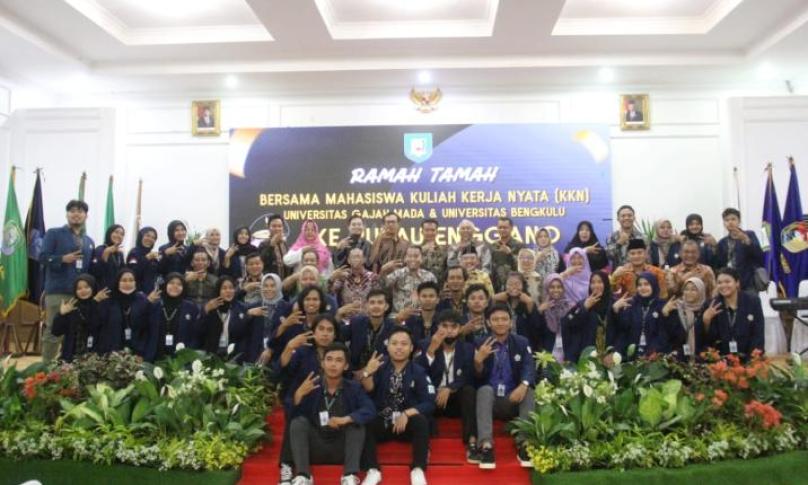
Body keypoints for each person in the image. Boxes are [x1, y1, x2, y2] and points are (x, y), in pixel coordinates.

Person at [289, 343, 376, 485]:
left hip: (342, 448)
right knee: (298, 423)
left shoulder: (354, 387)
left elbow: (370, 410)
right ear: (322, 363)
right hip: (316, 446)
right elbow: (292, 416)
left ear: (346, 366)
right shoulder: (311, 386)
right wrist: (298, 395)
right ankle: (304, 476)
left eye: (338, 360)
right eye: (329, 359)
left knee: (356, 425)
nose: (333, 364)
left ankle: (349, 476)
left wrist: (346, 419)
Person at [359, 327, 435, 485]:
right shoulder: (379, 367)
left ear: (411, 348)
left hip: (406, 424)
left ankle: (418, 469)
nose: (399, 347)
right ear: (387, 346)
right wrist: (367, 372)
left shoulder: (418, 371)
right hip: (383, 420)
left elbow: (429, 402)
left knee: (421, 421)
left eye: (404, 344)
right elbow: (369, 389)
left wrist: (407, 413)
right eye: (394, 343)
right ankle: (373, 470)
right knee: (365, 422)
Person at [277, 314, 341, 483]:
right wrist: (289, 347)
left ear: (335, 334)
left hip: (332, 406)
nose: (325, 333)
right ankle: (287, 465)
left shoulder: (340, 352)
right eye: (321, 329)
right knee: (294, 415)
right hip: (305, 403)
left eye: (330, 330)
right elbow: (283, 371)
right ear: (313, 332)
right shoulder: (303, 352)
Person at [473, 303, 535, 469]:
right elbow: (476, 378)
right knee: (484, 389)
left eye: (504, 319)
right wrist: (478, 362)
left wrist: (523, 385)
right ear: (488, 322)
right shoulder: (480, 342)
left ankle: (525, 444)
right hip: (489, 401)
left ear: (510, 322)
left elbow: (529, 366)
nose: (500, 323)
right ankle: (486, 446)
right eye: (495, 319)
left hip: (513, 398)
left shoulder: (521, 342)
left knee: (528, 390)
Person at [415, 310, 478, 461]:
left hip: (455, 399)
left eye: (453, 326)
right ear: (437, 327)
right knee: (420, 394)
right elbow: (418, 374)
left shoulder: (468, 348)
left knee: (469, 391)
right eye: (444, 326)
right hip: (432, 399)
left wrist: (450, 388)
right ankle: (424, 447)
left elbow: (468, 377)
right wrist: (431, 350)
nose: (449, 330)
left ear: (460, 328)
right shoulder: (424, 345)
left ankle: (472, 443)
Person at [40, 199, 96, 363]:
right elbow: (42, 257)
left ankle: (68, 368)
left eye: (80, 211)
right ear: (67, 215)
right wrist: (62, 259)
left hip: (80, 294)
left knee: (76, 331)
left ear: (86, 216)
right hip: (58, 291)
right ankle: (47, 369)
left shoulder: (89, 241)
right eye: (72, 211)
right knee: (54, 330)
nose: (76, 214)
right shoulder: (54, 233)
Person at [702, 268, 765, 358]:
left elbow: (758, 333)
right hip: (721, 359)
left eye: (727, 282)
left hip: (749, 358)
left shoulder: (752, 301)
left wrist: (754, 359)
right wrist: (706, 321)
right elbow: (708, 340)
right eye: (719, 283)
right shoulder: (711, 305)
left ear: (737, 283)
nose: (723, 285)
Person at [96, 268, 155, 358]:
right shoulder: (108, 301)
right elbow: (99, 325)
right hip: (112, 353)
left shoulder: (142, 300)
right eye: (124, 280)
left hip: (137, 353)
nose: (128, 283)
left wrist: (141, 351)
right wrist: (95, 302)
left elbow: (146, 329)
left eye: (131, 280)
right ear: (117, 282)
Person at [564, 272, 620, 361]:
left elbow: (622, 331)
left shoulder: (614, 303)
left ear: (606, 284)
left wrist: (615, 311)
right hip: (588, 357)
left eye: (600, 282)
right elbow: (569, 323)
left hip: (610, 358)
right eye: (593, 282)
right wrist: (584, 308)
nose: (596, 285)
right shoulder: (583, 304)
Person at [613, 272, 669, 359]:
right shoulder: (631, 303)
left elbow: (663, 334)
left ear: (653, 285)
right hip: (631, 356)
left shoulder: (662, 305)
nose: (643, 288)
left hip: (654, 356)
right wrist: (616, 310)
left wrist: (651, 352)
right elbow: (623, 330)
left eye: (646, 284)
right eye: (639, 285)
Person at [51, 274, 106, 362]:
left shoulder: (101, 306)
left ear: (93, 287)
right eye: (79, 288)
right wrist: (61, 315)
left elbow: (94, 323)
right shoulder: (71, 307)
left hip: (96, 359)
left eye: (86, 287)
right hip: (71, 359)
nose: (83, 290)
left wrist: (94, 303)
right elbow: (56, 332)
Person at [146, 273, 200, 361]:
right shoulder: (155, 306)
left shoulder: (191, 308)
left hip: (181, 359)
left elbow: (195, 335)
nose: (175, 286)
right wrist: (147, 302)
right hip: (156, 356)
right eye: (171, 283)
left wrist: (189, 354)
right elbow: (143, 328)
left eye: (179, 284)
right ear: (165, 285)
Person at [269, 285, 329, 363]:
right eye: (307, 299)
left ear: (321, 302)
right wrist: (284, 325)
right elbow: (272, 343)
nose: (311, 303)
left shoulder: (327, 323)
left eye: (315, 299)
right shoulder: (294, 323)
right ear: (302, 302)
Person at [199, 276, 255, 358]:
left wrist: (247, 315)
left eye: (231, 288)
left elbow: (243, 334)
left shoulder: (240, 308)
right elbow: (198, 332)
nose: (228, 291)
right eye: (224, 288)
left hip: (234, 356)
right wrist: (205, 310)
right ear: (218, 291)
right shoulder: (210, 307)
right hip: (211, 354)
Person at [343, 289, 396, 372]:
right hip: (354, 373)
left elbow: (392, 356)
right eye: (372, 302)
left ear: (386, 307)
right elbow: (338, 335)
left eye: (380, 303)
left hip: (380, 373)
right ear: (366, 306)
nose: (376, 306)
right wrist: (338, 315)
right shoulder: (356, 322)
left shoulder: (393, 328)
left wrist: (366, 371)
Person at [715, 208, 764, 293]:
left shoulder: (749, 234)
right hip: (729, 284)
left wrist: (747, 241)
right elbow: (719, 264)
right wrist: (713, 247)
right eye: (727, 220)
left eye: (733, 219)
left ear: (739, 221)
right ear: (724, 223)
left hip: (748, 283)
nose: (730, 222)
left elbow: (759, 256)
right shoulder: (722, 242)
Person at [381, 246, 437, 315]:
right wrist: (383, 271)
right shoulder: (398, 273)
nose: (412, 259)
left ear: (422, 258)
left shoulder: (429, 277)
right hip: (398, 315)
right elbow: (383, 286)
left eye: (416, 256)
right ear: (405, 258)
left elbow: (435, 297)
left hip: (421, 315)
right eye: (410, 256)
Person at [662, 277, 707, 362]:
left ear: (701, 291)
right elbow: (669, 333)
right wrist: (665, 313)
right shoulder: (676, 308)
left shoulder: (705, 310)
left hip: (701, 358)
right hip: (678, 358)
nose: (689, 293)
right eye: (686, 289)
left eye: (693, 290)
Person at [492, 272, 538, 349]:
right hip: (503, 344)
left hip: (524, 344)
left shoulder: (528, 301)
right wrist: (494, 299)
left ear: (523, 286)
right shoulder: (500, 302)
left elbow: (536, 327)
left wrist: (530, 304)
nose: (513, 287)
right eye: (510, 284)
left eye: (517, 284)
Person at [536, 273, 575, 363]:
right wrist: (539, 311)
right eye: (552, 287)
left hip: (567, 355)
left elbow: (574, 334)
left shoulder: (570, 307)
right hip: (547, 356)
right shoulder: (542, 308)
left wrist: (570, 356)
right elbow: (536, 332)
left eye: (559, 287)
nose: (556, 290)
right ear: (547, 289)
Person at [398, 281, 440, 345]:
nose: (428, 299)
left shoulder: (443, 321)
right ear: (418, 299)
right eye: (424, 296)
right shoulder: (410, 321)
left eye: (431, 296)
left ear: (438, 299)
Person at [490, 217, 525, 292]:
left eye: (505, 227)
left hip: (514, 286)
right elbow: (490, 267)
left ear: (511, 228)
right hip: (496, 286)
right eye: (500, 227)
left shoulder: (520, 246)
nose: (502, 230)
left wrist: (510, 254)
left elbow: (522, 267)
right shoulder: (493, 246)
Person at [90, 224, 125, 290]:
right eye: (116, 232)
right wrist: (106, 254)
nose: (119, 235)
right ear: (109, 233)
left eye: (122, 234)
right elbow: (94, 272)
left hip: (116, 291)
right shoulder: (100, 250)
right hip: (102, 291)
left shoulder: (120, 254)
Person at [126, 226, 160, 294]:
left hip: (151, 294)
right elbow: (132, 273)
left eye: (153, 238)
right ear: (141, 236)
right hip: (137, 293)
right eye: (147, 236)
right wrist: (146, 259)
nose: (150, 239)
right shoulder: (134, 253)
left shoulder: (152, 255)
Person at [259, 214, 292, 279]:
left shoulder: (285, 244)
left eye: (279, 226)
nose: (277, 229)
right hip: (270, 281)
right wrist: (271, 245)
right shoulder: (263, 244)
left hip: (286, 281)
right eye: (274, 226)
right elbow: (261, 262)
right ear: (268, 227)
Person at [420, 218, 448, 285]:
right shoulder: (415, 250)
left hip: (439, 286)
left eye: (432, 230)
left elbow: (447, 271)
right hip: (420, 286)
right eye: (427, 230)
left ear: (437, 232)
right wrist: (422, 251)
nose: (430, 233)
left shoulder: (444, 250)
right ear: (422, 232)